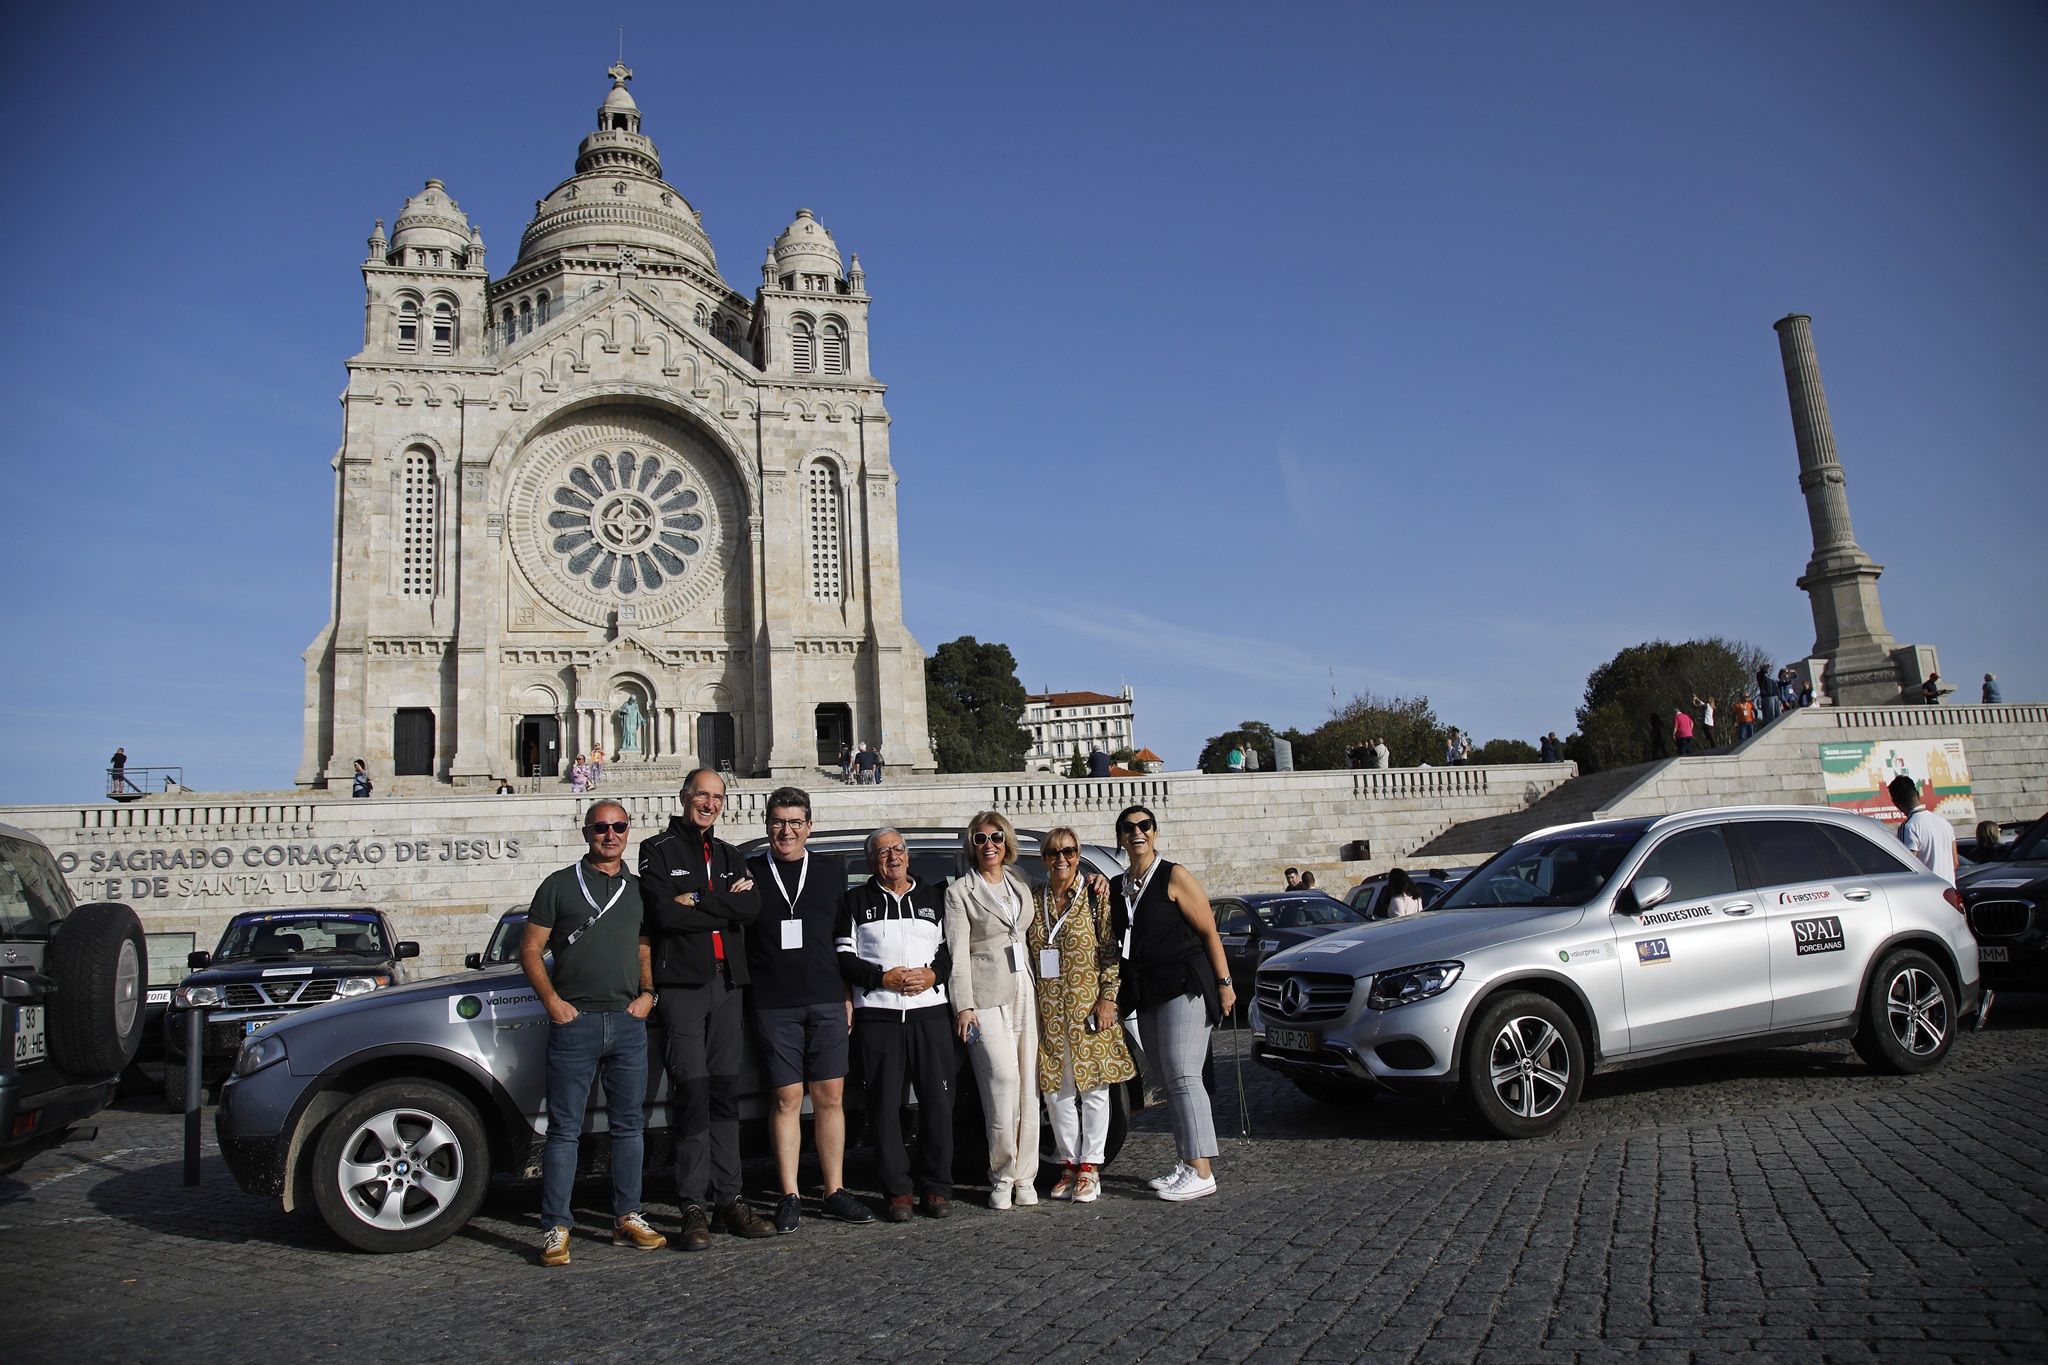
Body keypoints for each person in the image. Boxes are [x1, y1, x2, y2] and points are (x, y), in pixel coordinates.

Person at [521, 800, 666, 1265]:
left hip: (627, 1022)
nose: (611, 834)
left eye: (619, 826)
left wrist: (648, 994)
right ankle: (556, 1226)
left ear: (628, 832)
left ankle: (628, 1216)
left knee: (629, 1127)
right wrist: (554, 1004)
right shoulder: (559, 885)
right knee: (564, 1131)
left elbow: (645, 944)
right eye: (602, 827)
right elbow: (530, 949)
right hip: (575, 1024)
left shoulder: (638, 889)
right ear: (587, 833)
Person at [638, 770, 773, 1247]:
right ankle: (692, 1204)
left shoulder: (732, 854)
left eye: (717, 797)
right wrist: (718, 904)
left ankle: (730, 1197)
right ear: (684, 797)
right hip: (684, 987)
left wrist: (698, 898)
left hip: (728, 984)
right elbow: (663, 914)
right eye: (702, 795)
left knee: (724, 1095)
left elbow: (751, 908)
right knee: (692, 1094)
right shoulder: (657, 850)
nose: (709, 804)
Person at [745, 787, 874, 1231]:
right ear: (767, 825)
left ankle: (834, 1190)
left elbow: (843, 935)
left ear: (809, 827)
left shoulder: (826, 870)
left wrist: (846, 992)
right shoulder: (748, 872)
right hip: (773, 1001)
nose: (787, 830)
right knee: (785, 1098)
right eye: (779, 822)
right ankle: (789, 1194)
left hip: (825, 997)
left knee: (830, 1097)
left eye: (796, 822)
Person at [1110, 804, 1234, 1202]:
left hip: (1185, 985)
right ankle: (1186, 1161)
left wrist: (1225, 983)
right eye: (1129, 828)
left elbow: (1210, 932)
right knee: (1168, 1079)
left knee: (1183, 1074)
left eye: (1144, 825)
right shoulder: (1119, 884)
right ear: (1121, 837)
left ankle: (1202, 1169)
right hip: (1148, 991)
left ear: (1155, 832)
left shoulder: (1174, 875)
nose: (1137, 833)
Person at [838, 828, 955, 1220]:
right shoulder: (855, 900)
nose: (893, 856)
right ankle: (898, 1191)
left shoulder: (934, 897)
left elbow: (950, 950)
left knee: (938, 1103)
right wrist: (879, 978)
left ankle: (937, 1188)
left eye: (898, 849)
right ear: (871, 862)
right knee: (885, 1106)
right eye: (884, 851)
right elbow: (843, 954)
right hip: (879, 1015)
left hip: (930, 1012)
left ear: (908, 856)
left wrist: (933, 976)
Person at [1026, 826, 1133, 1203]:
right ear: (1043, 859)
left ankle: (1091, 1166)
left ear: (1078, 853)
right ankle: (1069, 1162)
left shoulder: (1092, 896)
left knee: (1094, 1090)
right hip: (1048, 1012)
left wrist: (1108, 1000)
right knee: (1056, 1092)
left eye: (1069, 852)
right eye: (1053, 853)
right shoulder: (1033, 898)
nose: (1062, 859)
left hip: (1089, 1008)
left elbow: (1110, 951)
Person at [945, 812, 1041, 1210]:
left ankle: (1026, 1177)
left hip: (1025, 990)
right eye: (981, 838)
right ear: (972, 844)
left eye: (996, 837)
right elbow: (957, 956)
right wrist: (963, 1006)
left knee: (1029, 1089)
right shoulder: (960, 892)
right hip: (986, 996)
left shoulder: (1020, 882)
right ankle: (1001, 1175)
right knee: (1002, 1084)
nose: (989, 845)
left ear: (1007, 842)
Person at [1888, 773, 1958, 886]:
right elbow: (1955, 862)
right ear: (1917, 794)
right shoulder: (1944, 822)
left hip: (1928, 892)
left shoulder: (1908, 827)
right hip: (1949, 892)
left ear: (1895, 803)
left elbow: (1908, 868)